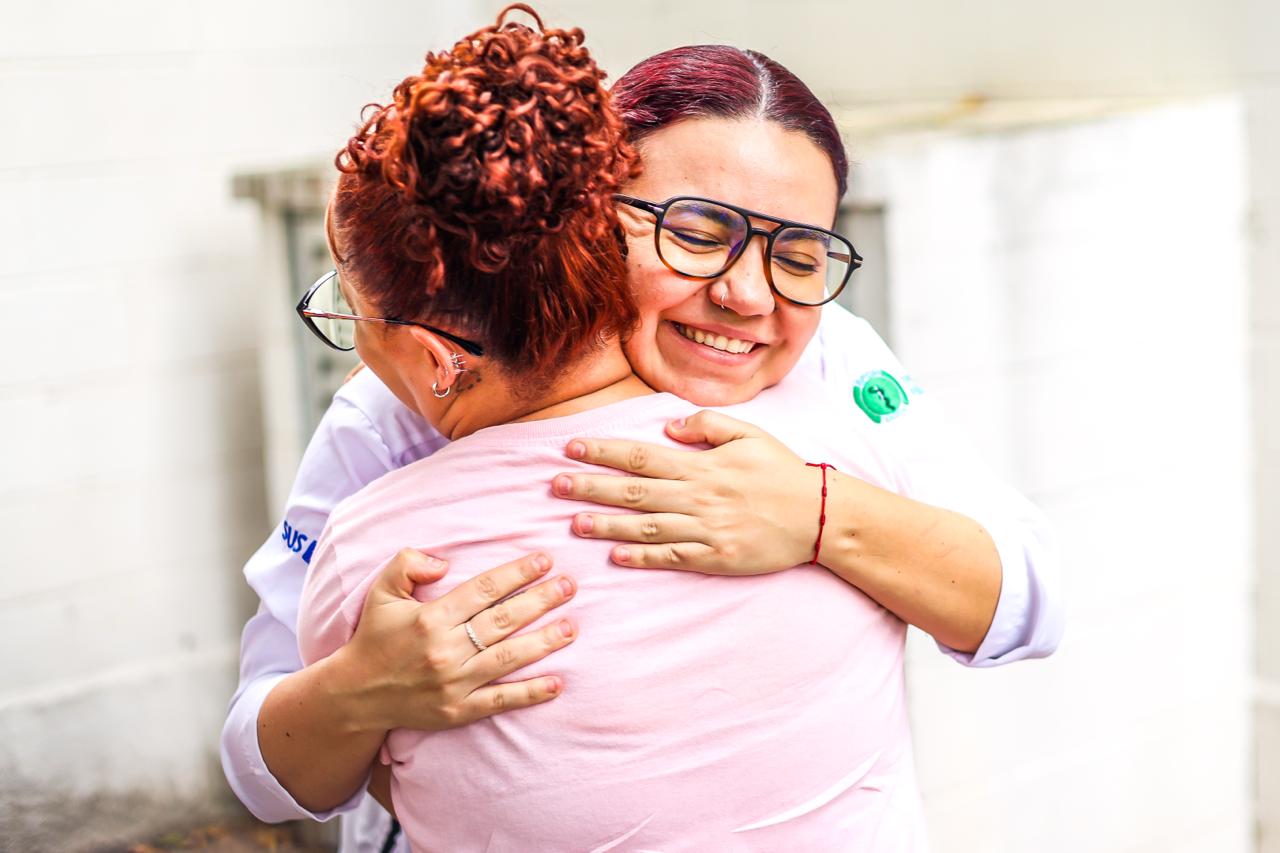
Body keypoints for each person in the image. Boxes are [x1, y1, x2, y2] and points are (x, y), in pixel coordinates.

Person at [220, 7, 1061, 851]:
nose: (749, 297)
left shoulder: (828, 367)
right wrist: (361, 693)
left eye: (800, 256)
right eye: (695, 234)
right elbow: (262, 746)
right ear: (589, 216)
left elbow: (1029, 594)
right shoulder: (394, 404)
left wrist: (819, 515)